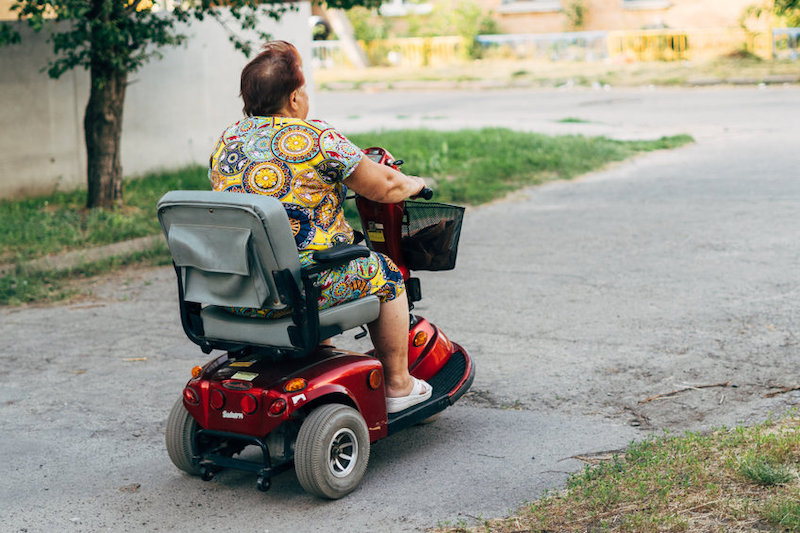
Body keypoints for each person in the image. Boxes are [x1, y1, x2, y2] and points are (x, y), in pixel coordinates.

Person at [208, 40, 431, 414]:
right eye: (304, 89)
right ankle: (398, 385)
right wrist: (417, 183)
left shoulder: (227, 141)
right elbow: (386, 186)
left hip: (237, 291)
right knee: (385, 274)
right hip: (300, 290)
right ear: (294, 98)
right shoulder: (316, 138)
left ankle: (318, 356)